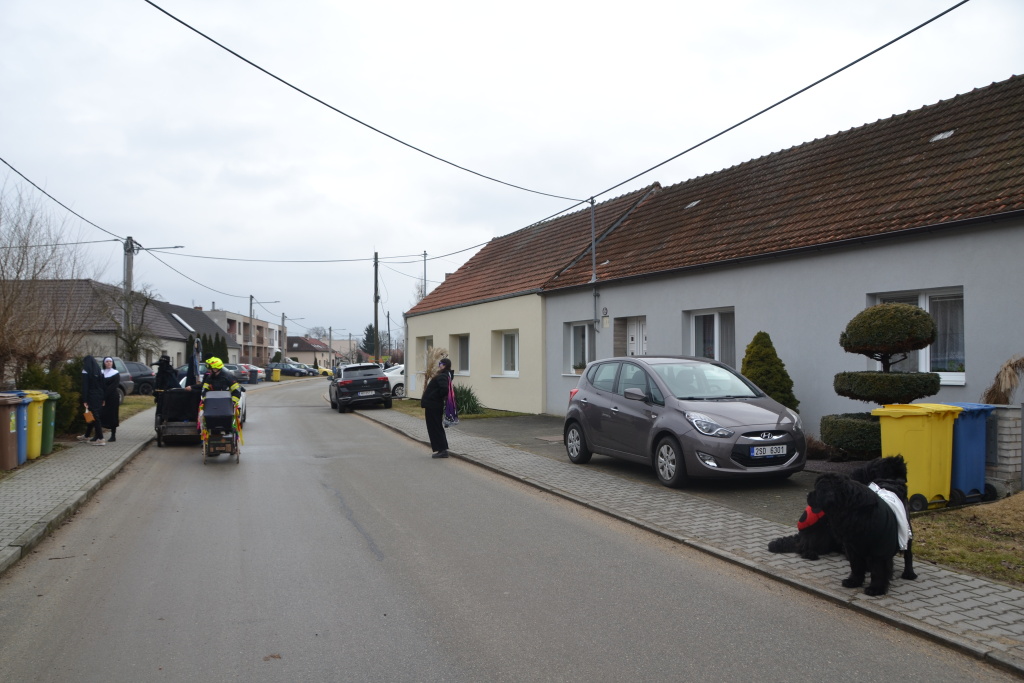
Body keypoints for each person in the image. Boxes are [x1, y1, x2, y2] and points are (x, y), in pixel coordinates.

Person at [420, 357, 453, 458]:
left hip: (434, 405)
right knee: (435, 427)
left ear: (445, 366)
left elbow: (444, 390)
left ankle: (442, 450)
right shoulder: (444, 375)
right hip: (433, 404)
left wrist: (436, 397)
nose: (439, 366)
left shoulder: (443, 376)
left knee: (435, 427)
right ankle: (441, 449)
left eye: (441, 364)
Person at [79, 355, 106, 445]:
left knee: (94, 416)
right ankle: (86, 436)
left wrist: (85, 400)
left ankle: (101, 438)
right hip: (99, 395)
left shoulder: (86, 371)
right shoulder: (100, 371)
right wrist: (103, 398)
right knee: (91, 415)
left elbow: (85, 386)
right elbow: (103, 385)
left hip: (91, 395)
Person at [99, 357, 121, 443]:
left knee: (113, 415)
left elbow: (114, 386)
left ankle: (113, 435)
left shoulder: (115, 373)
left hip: (112, 397)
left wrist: (105, 395)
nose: (108, 363)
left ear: (112, 363)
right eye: (107, 361)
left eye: (110, 361)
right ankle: (99, 435)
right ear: (104, 363)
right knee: (101, 415)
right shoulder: (101, 372)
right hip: (103, 397)